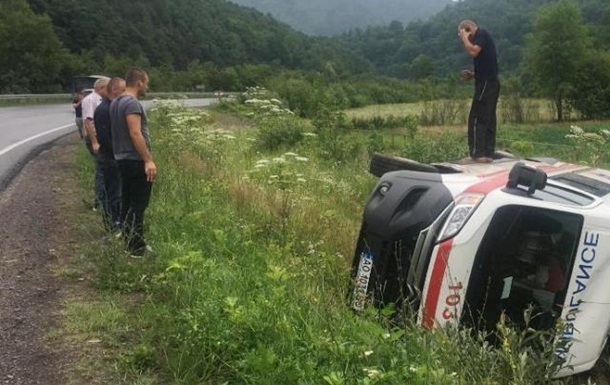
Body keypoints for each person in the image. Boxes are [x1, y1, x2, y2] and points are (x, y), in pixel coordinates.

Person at [110, 68, 156, 257]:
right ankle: (137, 247)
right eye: (146, 82)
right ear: (139, 82)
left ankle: (126, 240)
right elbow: (135, 132)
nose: (147, 86)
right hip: (135, 160)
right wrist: (148, 160)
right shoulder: (132, 104)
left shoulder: (116, 103)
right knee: (139, 204)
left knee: (127, 202)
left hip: (121, 158)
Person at [458, 20, 500, 163]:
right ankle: (488, 153)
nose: (464, 40)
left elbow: (473, 51)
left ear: (469, 29)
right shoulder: (484, 37)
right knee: (488, 118)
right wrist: (473, 75)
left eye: (463, 34)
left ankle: (478, 154)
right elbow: (489, 64)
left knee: (477, 118)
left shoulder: (481, 34)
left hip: (486, 84)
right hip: (490, 82)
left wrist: (464, 37)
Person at [93, 77, 126, 232]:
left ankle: (117, 221)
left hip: (113, 156)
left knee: (116, 192)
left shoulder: (110, 106)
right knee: (112, 192)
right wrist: (116, 154)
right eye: (123, 90)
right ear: (114, 90)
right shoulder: (104, 110)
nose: (125, 93)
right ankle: (112, 224)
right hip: (110, 157)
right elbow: (104, 137)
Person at [81, 77, 109, 209]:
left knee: (104, 168)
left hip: (100, 137)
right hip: (95, 137)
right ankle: (100, 201)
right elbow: (87, 122)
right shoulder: (90, 100)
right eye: (108, 88)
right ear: (101, 88)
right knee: (101, 169)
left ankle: (104, 199)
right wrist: (94, 142)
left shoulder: (101, 100)